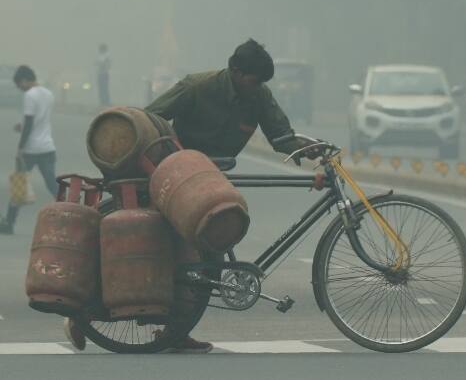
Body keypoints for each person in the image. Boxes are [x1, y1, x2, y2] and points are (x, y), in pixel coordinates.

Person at [63, 39, 318, 354]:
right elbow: (148, 120)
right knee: (163, 256)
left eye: (261, 83)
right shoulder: (197, 87)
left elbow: (280, 136)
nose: (257, 88)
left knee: (207, 259)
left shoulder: (258, 96)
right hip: (177, 178)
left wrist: (307, 149)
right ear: (235, 71)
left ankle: (175, 332)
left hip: (212, 181)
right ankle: (85, 313)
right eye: (253, 81)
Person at [0, 66, 58, 235]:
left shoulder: (29, 95)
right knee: (53, 186)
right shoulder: (48, 94)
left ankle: (9, 223)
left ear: (25, 80)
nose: (20, 88)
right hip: (47, 146)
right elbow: (39, 120)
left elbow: (30, 122)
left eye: (19, 84)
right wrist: (23, 126)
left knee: (19, 185)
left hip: (31, 150)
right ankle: (73, 212)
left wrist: (20, 148)